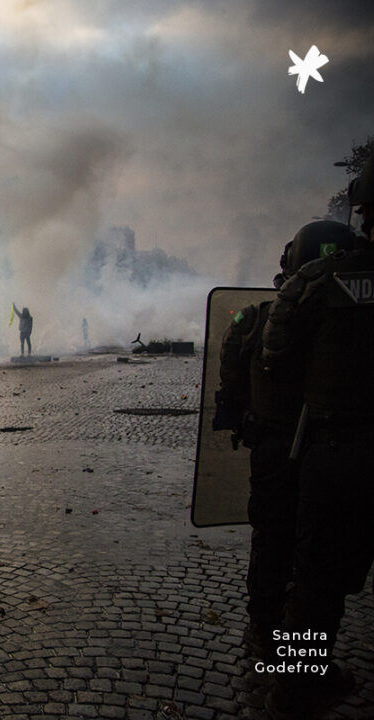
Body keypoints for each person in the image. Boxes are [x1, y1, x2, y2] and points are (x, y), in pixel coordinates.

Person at [260, 161, 374, 719]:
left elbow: (276, 358)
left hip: (336, 448)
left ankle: (297, 685)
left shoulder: (319, 283)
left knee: (316, 580)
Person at [212, 221, 355, 658]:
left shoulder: (254, 319)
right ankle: (300, 658)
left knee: (272, 542)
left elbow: (230, 385)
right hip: (334, 452)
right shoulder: (346, 322)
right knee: (319, 560)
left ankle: (267, 632)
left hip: (276, 449)